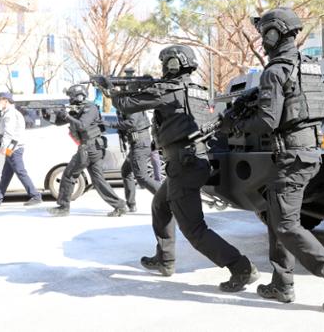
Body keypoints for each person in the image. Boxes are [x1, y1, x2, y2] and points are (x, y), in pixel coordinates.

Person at [223, 8, 324, 312]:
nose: (262, 42)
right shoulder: (306, 66)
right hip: (307, 152)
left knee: (286, 225)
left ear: (274, 34)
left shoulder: (274, 71)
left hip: (291, 156)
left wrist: (236, 125)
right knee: (277, 217)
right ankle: (282, 284)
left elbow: (267, 122)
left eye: (264, 35)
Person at [101, 44, 258, 293]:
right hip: (195, 161)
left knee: (194, 230)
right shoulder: (196, 91)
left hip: (184, 165)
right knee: (160, 205)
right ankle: (165, 259)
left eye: (165, 63)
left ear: (173, 64)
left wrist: (108, 89)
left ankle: (241, 267)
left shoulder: (170, 89)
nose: (163, 68)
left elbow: (126, 105)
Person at [46, 85, 128, 217]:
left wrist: (67, 116)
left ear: (78, 96)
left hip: (90, 148)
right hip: (91, 148)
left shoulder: (90, 108)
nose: (70, 99)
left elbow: (82, 125)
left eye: (71, 96)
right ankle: (119, 205)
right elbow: (59, 122)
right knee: (98, 180)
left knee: (69, 175)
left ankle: (63, 206)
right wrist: (48, 114)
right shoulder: (79, 110)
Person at [0, 92, 42, 207]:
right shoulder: (11, 112)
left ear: (5, 100)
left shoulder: (9, 114)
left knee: (20, 172)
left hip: (13, 148)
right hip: (14, 147)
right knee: (6, 174)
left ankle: (35, 196)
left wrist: (3, 147)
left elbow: (8, 133)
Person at [109, 107, 161, 212]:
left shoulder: (131, 105)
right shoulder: (123, 107)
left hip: (140, 144)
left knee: (142, 176)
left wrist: (110, 124)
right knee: (126, 171)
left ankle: (169, 198)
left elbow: (131, 123)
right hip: (135, 144)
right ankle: (131, 204)